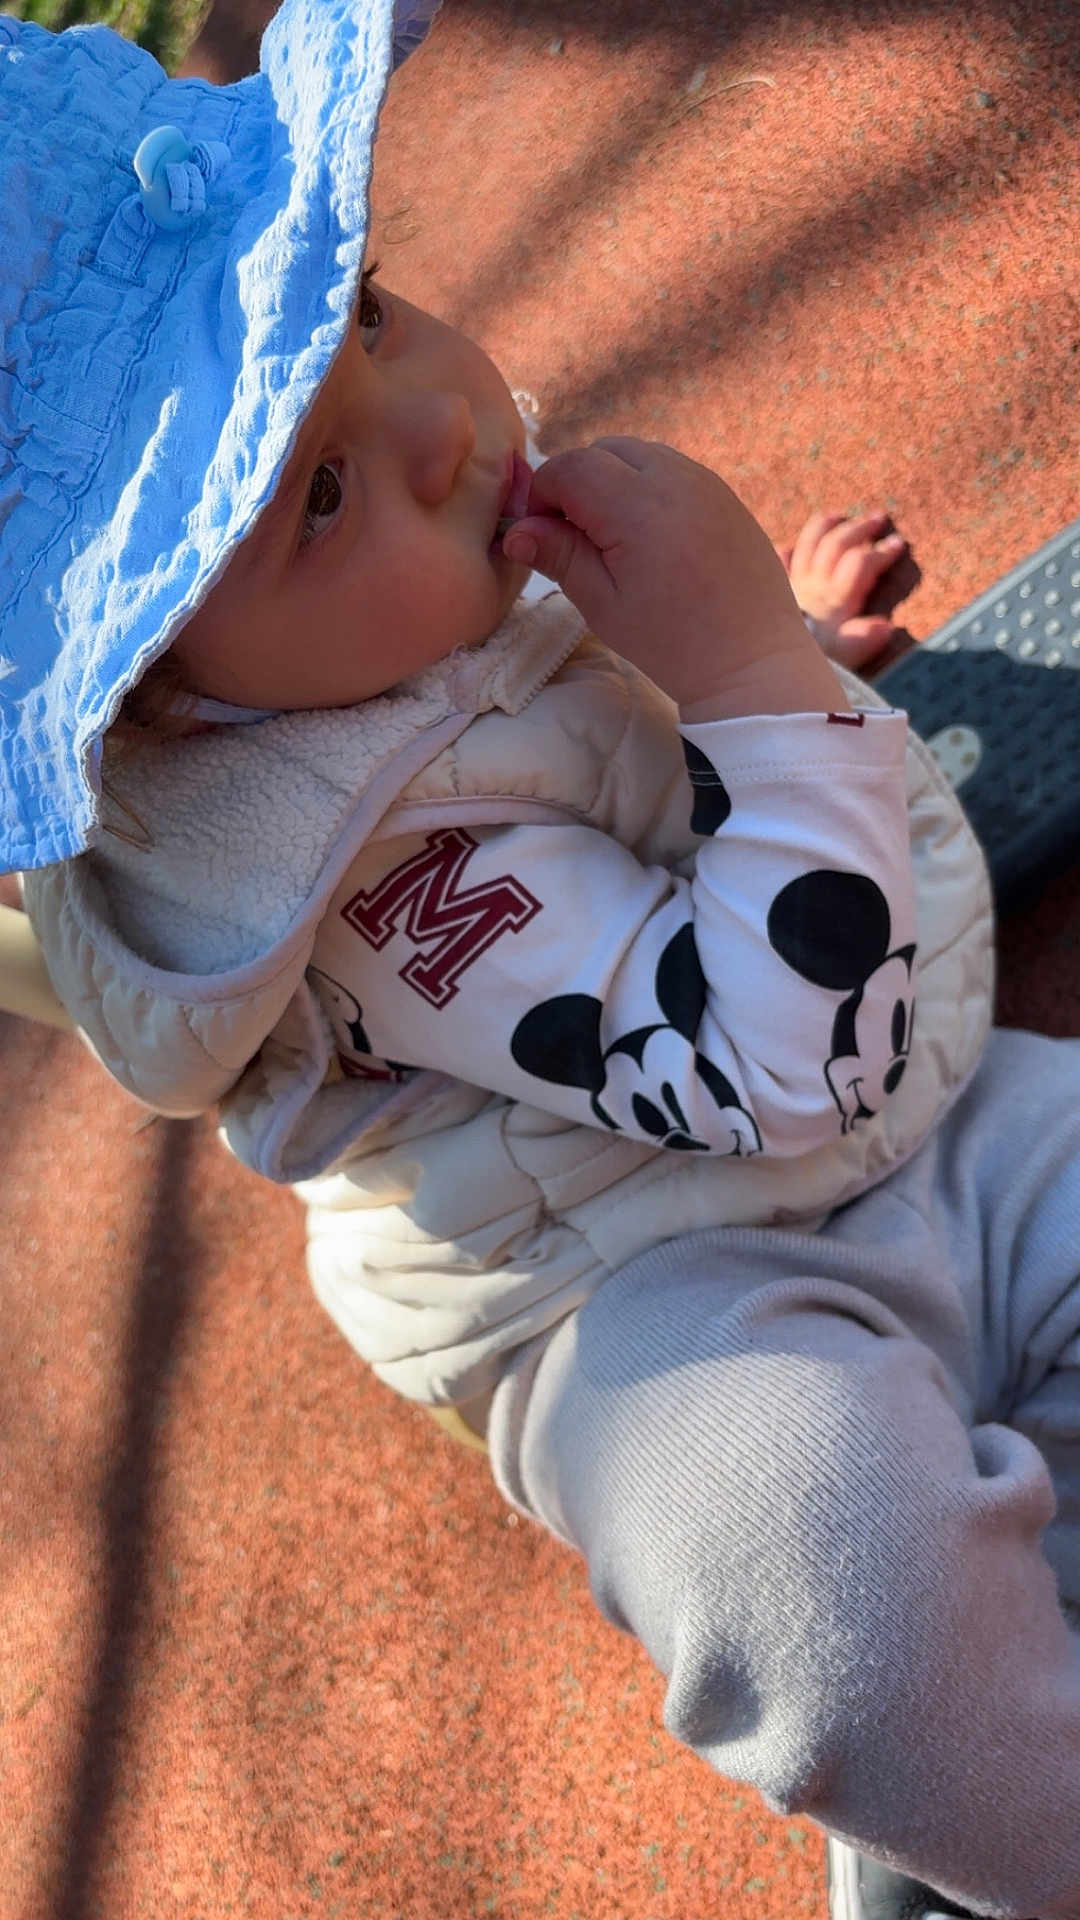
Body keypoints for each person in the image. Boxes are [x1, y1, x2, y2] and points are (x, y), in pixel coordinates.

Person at [2, 5, 1077, 1917]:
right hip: (656, 1284)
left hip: (898, 1102)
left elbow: (593, 733)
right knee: (820, 1599)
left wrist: (781, 667)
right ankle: (995, 1782)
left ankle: (995, 1623)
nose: (432, 427)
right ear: (162, 706)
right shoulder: (369, 881)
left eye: (375, 311)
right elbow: (764, 1061)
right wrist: (749, 673)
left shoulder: (380, 615)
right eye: (315, 488)